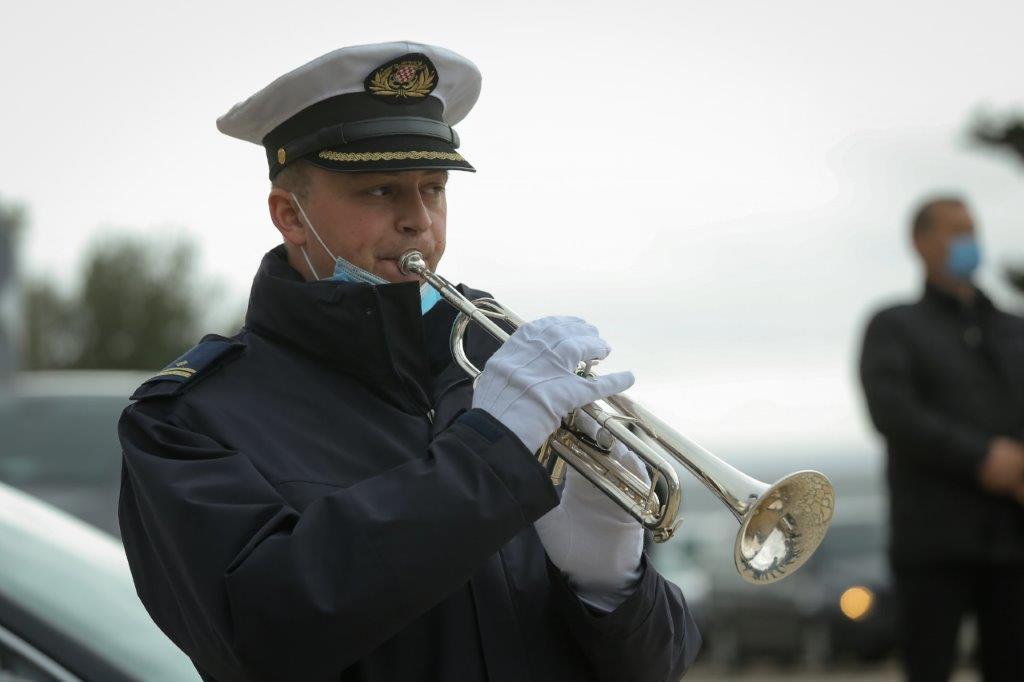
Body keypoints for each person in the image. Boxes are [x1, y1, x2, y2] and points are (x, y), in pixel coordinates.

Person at [117, 42, 700, 682]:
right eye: (381, 190)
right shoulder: (187, 419)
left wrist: (611, 586)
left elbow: (660, 668)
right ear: (290, 215)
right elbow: (259, 635)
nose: (418, 221)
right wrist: (486, 461)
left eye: (433, 189)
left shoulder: (497, 366)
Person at [859, 195, 1024, 682]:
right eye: (954, 230)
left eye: (971, 230)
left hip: (1013, 542)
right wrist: (984, 458)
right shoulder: (893, 326)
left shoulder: (1012, 329)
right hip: (932, 545)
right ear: (920, 242)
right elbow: (895, 414)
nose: (967, 241)